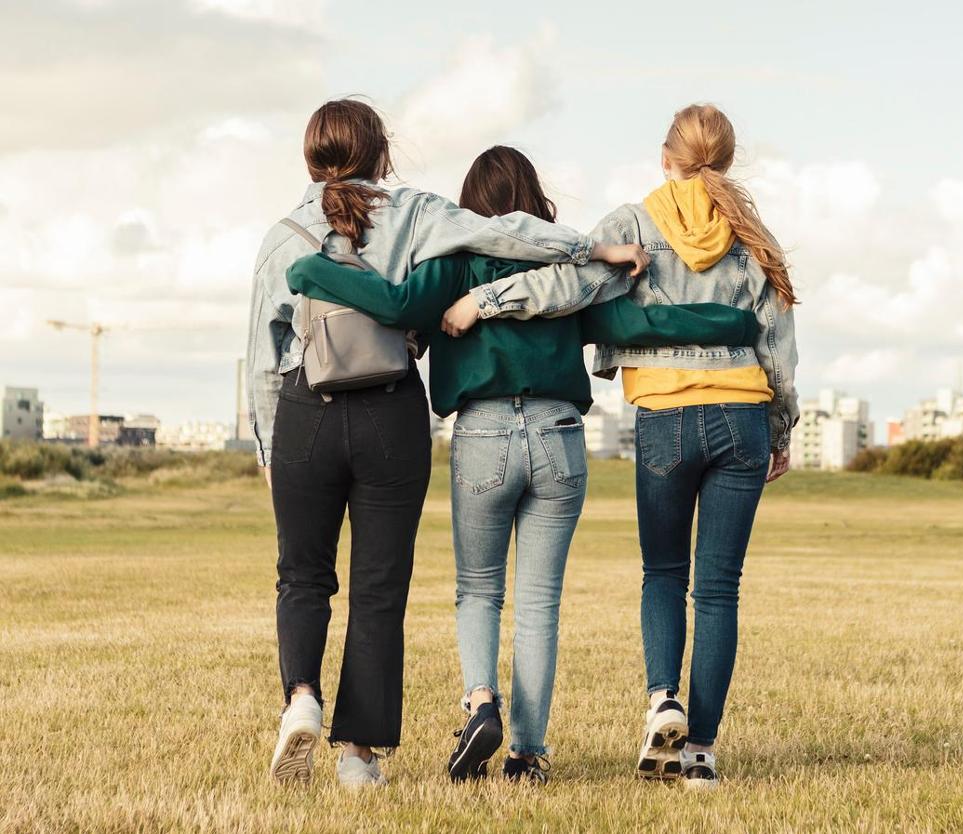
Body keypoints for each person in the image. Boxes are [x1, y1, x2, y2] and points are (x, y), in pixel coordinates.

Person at [286, 145, 760, 784]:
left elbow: (393, 301)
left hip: (482, 434)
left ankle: (481, 704)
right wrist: (735, 321)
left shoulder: (451, 264)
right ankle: (528, 754)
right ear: (537, 203)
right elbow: (644, 320)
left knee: (479, 590)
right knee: (540, 603)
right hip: (559, 436)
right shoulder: (569, 273)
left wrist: (313, 272)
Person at [245, 98, 650, 788]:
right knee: (381, 586)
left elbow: (263, 354)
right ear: (382, 153)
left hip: (306, 412)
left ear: (311, 158)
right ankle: (361, 757)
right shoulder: (419, 214)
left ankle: (303, 699)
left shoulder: (284, 234)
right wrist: (597, 249)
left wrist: (266, 447)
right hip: (393, 413)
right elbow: (514, 235)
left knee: (304, 575)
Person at [440, 105, 799, 787]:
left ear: (666, 158)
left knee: (665, 573)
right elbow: (779, 341)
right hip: (744, 412)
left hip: (666, 412)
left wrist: (483, 303)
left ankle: (662, 697)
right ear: (724, 161)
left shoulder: (633, 224)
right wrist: (781, 425)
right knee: (720, 589)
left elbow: (565, 283)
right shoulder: (753, 232)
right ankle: (699, 755)